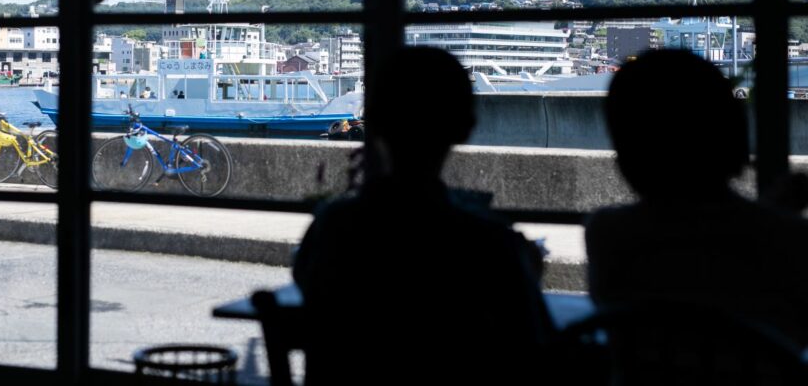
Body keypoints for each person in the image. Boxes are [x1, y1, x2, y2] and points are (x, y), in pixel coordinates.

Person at [292, 46, 550, 384]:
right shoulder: (489, 244)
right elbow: (535, 351)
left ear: (375, 122)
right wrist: (527, 270)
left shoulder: (332, 226)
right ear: (466, 127)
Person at [586, 49, 808, 347]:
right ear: (733, 132)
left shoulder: (607, 233)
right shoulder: (788, 237)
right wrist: (776, 215)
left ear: (626, 151)